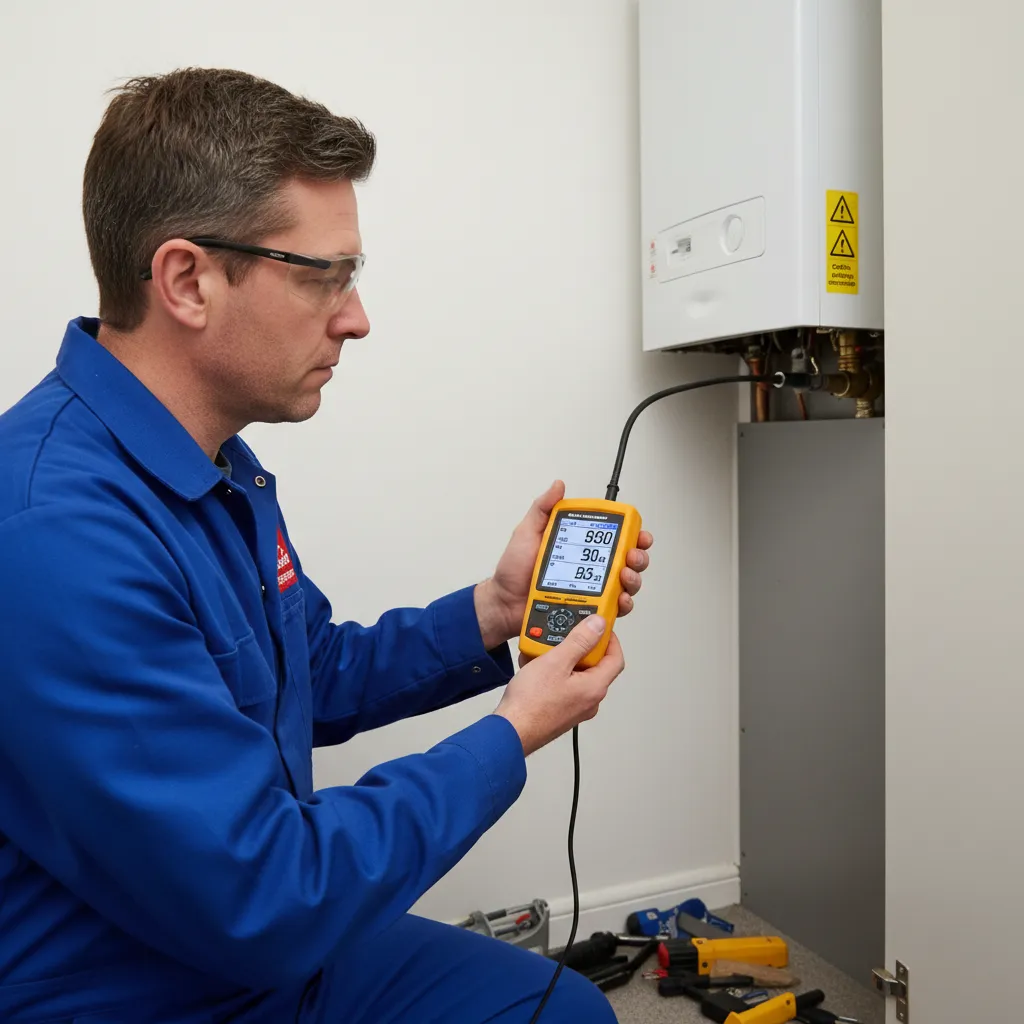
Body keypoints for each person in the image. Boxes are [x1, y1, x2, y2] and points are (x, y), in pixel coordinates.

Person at [0, 68, 654, 1023]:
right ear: (187, 280)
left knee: (565, 1010)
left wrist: (494, 611)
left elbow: (310, 672)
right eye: (325, 276)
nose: (356, 316)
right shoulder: (54, 536)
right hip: (135, 984)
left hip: (259, 946)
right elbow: (265, 892)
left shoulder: (216, 465)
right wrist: (512, 733)